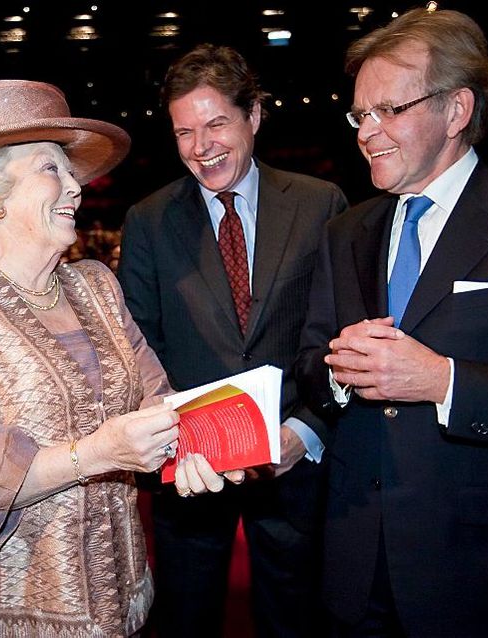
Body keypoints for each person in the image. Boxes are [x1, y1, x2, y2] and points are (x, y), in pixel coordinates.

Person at [294, 7, 488, 636]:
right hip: (356, 565)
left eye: (390, 110)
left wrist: (443, 382)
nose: (367, 132)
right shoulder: (345, 231)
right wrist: (337, 373)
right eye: (361, 115)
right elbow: (309, 365)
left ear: (457, 110)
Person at [0, 79, 193, 636]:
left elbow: (157, 395)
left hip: (117, 594)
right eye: (52, 169)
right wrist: (97, 452)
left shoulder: (97, 285)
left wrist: (201, 443)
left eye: (72, 171)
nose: (77, 186)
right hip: (0, 609)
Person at [117, 43, 348, 637]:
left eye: (216, 123)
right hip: (192, 467)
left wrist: (308, 432)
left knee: (295, 619)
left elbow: (340, 336)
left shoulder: (321, 204)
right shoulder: (147, 220)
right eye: (184, 132)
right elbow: (139, 346)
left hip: (294, 460)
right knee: (186, 619)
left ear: (255, 115)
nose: (201, 147)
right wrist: (180, 439)